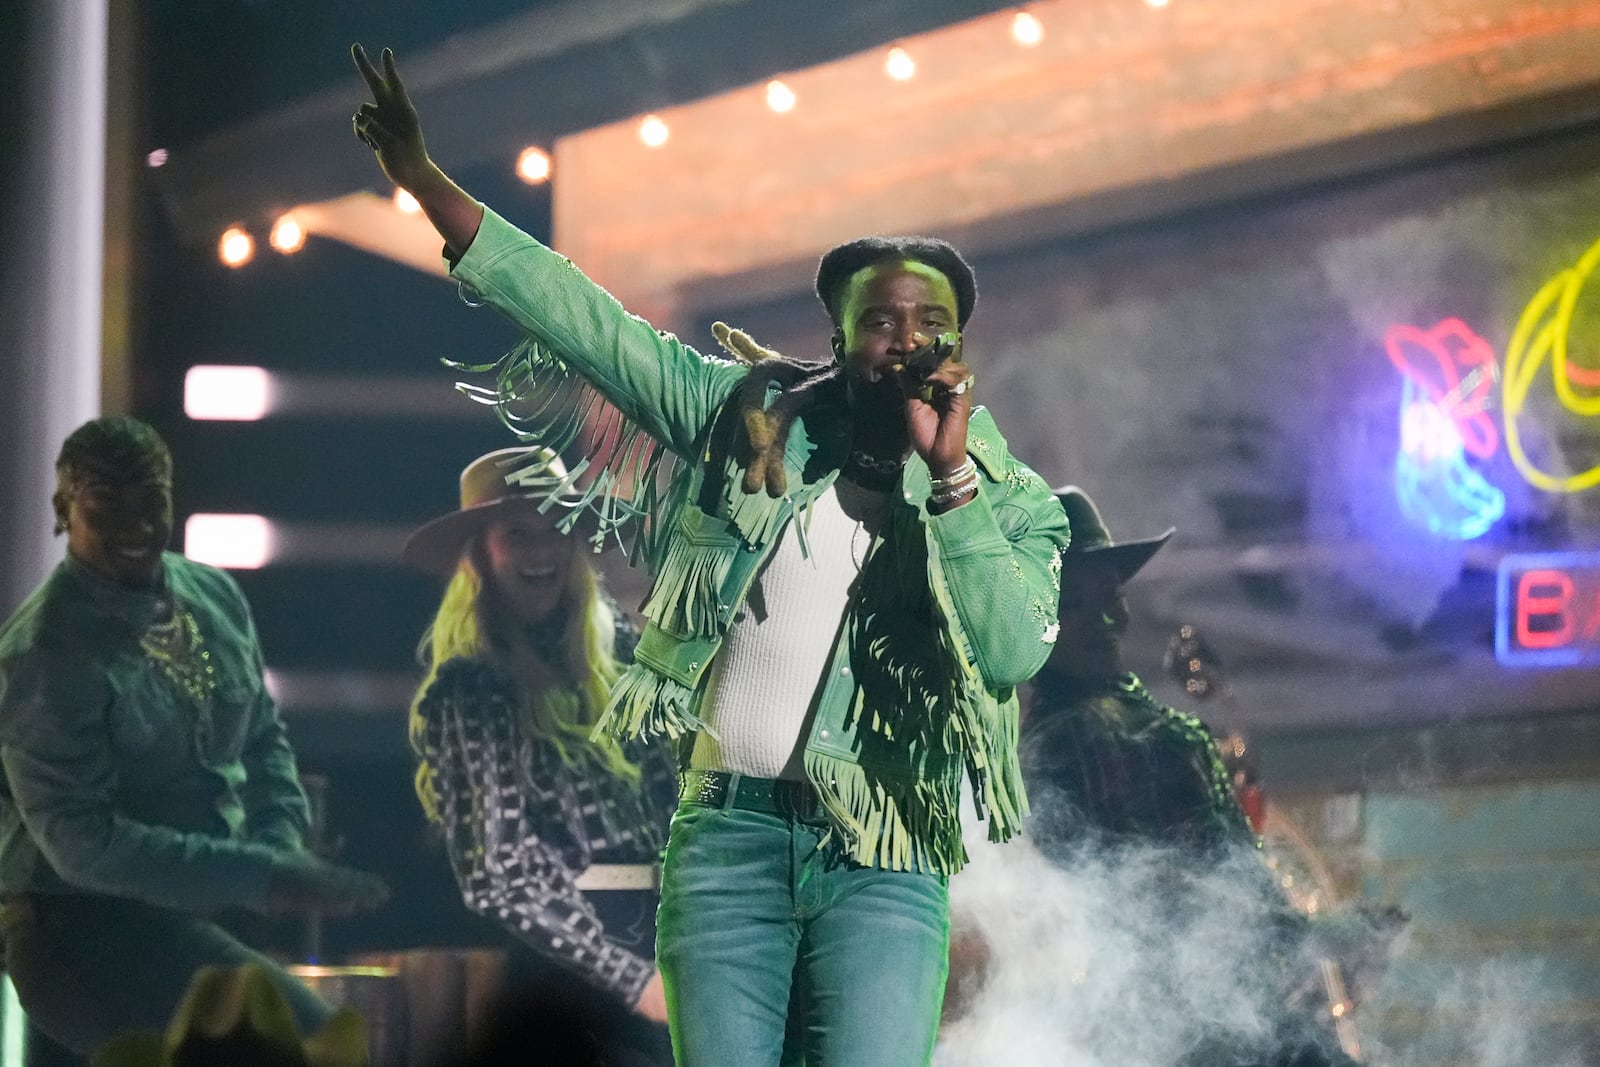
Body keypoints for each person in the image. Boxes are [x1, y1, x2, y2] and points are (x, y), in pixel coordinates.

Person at [351, 45, 1070, 1066]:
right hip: (728, 840)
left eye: (930, 323)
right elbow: (585, 323)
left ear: (958, 346)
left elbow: (1008, 652)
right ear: (839, 335)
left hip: (885, 855)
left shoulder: (1009, 502)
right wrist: (426, 184)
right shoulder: (745, 424)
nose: (904, 339)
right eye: (879, 318)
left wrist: (948, 479)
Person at [0, 416, 389, 1059]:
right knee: (306, 1044)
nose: (137, 529)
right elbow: (81, 846)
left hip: (183, 921)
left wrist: (278, 845)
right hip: (78, 930)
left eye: (152, 505)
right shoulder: (44, 653)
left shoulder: (211, 594)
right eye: (108, 511)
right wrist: (261, 874)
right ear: (63, 511)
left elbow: (264, 741)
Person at [1019, 486, 1355, 1067]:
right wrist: (1305, 933)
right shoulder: (1063, 743)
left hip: (1233, 1003)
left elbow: (1234, 870)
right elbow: (1139, 885)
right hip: (1167, 1020)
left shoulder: (1134, 723)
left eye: (1112, 596)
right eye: (1078, 604)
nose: (1109, 618)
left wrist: (1306, 933)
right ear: (1037, 621)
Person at [404, 446, 677, 1064]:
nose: (540, 551)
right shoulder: (470, 689)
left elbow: (679, 806)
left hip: (669, 944)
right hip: (560, 979)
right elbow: (500, 874)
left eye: (556, 527)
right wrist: (632, 981)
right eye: (516, 534)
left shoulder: (627, 658)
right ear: (481, 554)